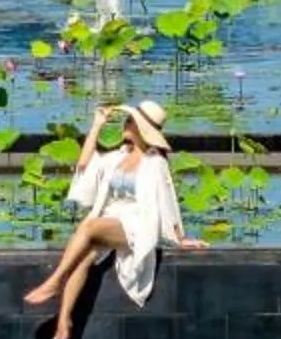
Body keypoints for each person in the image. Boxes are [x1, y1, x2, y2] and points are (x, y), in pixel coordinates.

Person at [20, 100, 199, 327]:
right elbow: (85, 165)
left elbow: (167, 200)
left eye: (130, 120)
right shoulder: (118, 156)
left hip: (137, 223)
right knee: (84, 256)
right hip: (111, 218)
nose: (125, 123)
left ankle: (55, 281)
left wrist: (180, 238)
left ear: (140, 128)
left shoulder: (155, 163)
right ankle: (64, 320)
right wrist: (97, 125)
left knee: (88, 227)